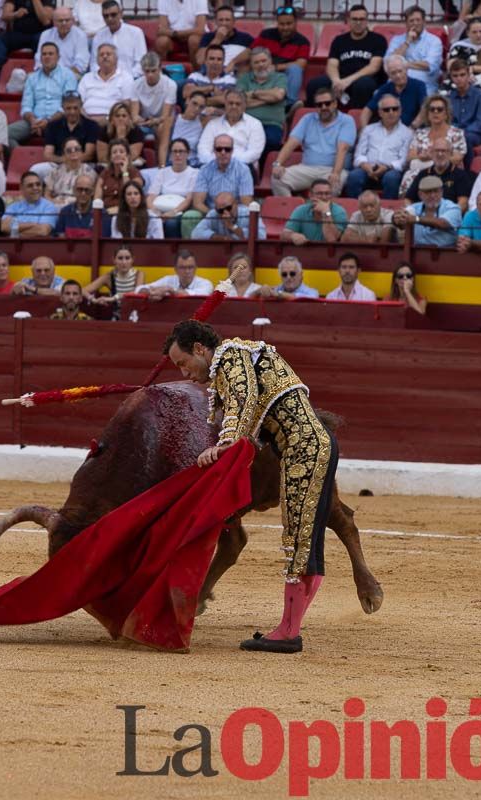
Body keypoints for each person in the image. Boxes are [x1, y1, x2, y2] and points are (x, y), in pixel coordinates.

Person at [164, 317, 336, 653]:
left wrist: (225, 444)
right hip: (312, 442)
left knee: (300, 542)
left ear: (200, 349)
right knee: (307, 542)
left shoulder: (231, 355)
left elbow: (245, 398)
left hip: (303, 445)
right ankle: (289, 628)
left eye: (183, 363)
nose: (183, 373)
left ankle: (289, 633)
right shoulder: (238, 360)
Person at [270, 87, 356, 197]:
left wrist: (336, 173)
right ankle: (293, 213)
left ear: (335, 104)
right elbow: (291, 143)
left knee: (334, 183)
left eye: (327, 103)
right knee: (277, 178)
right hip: (307, 168)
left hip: (331, 170)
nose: (323, 107)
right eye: (319, 105)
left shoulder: (346, 120)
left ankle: (322, 213)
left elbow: (342, 149)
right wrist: (277, 164)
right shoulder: (307, 119)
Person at [308, 4, 387, 109]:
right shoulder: (339, 40)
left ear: (367, 21)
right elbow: (331, 65)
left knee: (363, 84)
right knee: (315, 84)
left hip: (364, 79)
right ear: (348, 21)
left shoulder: (378, 40)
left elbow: (374, 67)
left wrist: (348, 80)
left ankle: (357, 119)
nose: (358, 23)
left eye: (362, 19)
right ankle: (313, 119)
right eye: (354, 19)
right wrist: (336, 81)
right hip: (341, 79)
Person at [343, 94, 411, 199]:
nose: (391, 112)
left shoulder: (407, 133)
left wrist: (387, 167)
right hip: (367, 168)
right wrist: (365, 165)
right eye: (386, 110)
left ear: (400, 111)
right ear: (380, 112)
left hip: (390, 170)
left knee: (391, 178)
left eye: (395, 109)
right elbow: (359, 154)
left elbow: (403, 161)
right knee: (354, 176)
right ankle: (355, 209)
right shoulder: (369, 129)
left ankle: (388, 211)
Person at [11, 41, 78, 146]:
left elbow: (68, 105)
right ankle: (19, 159)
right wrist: (33, 120)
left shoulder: (68, 75)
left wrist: (48, 121)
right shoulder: (32, 78)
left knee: (67, 135)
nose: (47, 57)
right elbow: (26, 106)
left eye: (51, 54)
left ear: (58, 57)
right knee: (6, 134)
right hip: (33, 122)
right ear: (40, 58)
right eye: (44, 54)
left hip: (59, 121)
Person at [186, 133, 253, 236]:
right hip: (211, 214)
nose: (223, 152)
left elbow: (246, 203)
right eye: (219, 149)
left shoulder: (243, 170)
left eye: (227, 149)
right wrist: (217, 214)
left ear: (232, 150)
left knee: (246, 216)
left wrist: (230, 214)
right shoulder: (204, 170)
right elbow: (197, 203)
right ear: (214, 150)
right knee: (190, 216)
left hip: (235, 214)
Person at [252, 6, 310, 111]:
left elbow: (301, 64)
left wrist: (276, 67)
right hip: (263, 72)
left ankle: (289, 105)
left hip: (285, 76)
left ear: (296, 23)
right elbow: (252, 52)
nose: (285, 27)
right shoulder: (266, 34)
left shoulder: (303, 41)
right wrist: (233, 62)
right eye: (282, 24)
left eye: (289, 24)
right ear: (277, 23)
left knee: (295, 69)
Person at [237, 47, 289, 153]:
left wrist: (254, 93)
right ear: (251, 65)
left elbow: (278, 96)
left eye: (263, 61)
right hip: (246, 122)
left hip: (271, 124)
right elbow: (239, 100)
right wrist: (269, 98)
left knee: (271, 141)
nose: (261, 65)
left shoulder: (280, 77)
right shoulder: (244, 79)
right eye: (256, 62)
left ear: (270, 61)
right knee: (238, 140)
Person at [146, 138, 198, 237]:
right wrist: (154, 210)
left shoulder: (194, 173)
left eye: (181, 151)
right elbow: (151, 196)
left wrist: (173, 212)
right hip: (159, 209)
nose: (178, 155)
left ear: (188, 153)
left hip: (180, 210)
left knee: (171, 224)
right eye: (174, 152)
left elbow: (189, 199)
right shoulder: (163, 172)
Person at [198, 90, 264, 167]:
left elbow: (254, 153)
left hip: (242, 168)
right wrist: (217, 163)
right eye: (230, 103)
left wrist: (229, 163)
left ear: (244, 106)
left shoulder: (255, 124)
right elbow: (203, 149)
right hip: (214, 166)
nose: (234, 106)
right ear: (225, 104)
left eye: (238, 104)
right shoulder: (213, 124)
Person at [386, 5, 442, 96]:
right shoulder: (397, 40)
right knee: (378, 96)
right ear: (406, 23)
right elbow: (389, 62)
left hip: (424, 86)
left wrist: (402, 65)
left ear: (424, 21)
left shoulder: (434, 41)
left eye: (418, 20)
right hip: (396, 85)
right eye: (411, 21)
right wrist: (407, 42)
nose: (415, 23)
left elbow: (429, 65)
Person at [41, 91, 101, 177]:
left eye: (75, 108)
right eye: (68, 108)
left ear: (81, 106)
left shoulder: (91, 125)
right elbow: (47, 154)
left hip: (83, 165)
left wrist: (72, 160)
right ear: (62, 107)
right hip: (59, 164)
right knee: (37, 170)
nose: (72, 112)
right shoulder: (52, 126)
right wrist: (65, 160)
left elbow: (89, 154)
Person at [402, 138, 473, 209]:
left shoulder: (460, 175)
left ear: (450, 153)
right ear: (431, 153)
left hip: (449, 216)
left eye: (444, 151)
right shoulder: (423, 174)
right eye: (437, 151)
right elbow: (408, 199)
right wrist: (411, 211)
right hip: (424, 216)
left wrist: (451, 214)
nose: (440, 154)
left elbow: (463, 203)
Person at [394, 175, 462, 247]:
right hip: (418, 253)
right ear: (420, 194)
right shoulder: (415, 207)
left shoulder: (452, 207)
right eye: (428, 192)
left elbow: (442, 223)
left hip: (446, 253)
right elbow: (402, 217)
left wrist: (416, 219)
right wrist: (397, 218)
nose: (432, 195)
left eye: (436, 191)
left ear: (441, 192)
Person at [363, 55, 427, 130]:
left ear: (406, 70)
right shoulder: (385, 88)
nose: (398, 75)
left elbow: (425, 108)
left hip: (411, 129)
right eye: (393, 73)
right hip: (388, 131)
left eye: (400, 71)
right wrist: (364, 131)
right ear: (388, 75)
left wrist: (413, 126)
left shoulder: (419, 85)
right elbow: (367, 110)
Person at [77, 43, 137, 122]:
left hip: (113, 122)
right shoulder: (87, 78)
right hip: (87, 121)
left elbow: (126, 104)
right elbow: (78, 103)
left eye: (108, 54)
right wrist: (88, 120)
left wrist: (108, 119)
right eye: (101, 55)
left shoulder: (125, 77)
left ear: (116, 59)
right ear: (97, 60)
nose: (105, 56)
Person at [90, 1, 147, 80]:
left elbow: (141, 63)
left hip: (131, 79)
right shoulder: (99, 36)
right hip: (104, 80)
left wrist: (126, 78)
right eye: (106, 16)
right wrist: (103, 77)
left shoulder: (136, 33)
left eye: (113, 15)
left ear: (121, 14)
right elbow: (94, 64)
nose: (110, 18)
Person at [445, 58, 481, 156]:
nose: (459, 78)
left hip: (474, 135)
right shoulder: (449, 97)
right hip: (452, 134)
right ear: (451, 78)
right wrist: (453, 132)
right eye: (455, 76)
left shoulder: (480, 96)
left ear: (468, 75)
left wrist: (460, 133)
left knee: (466, 139)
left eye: (462, 75)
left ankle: (467, 170)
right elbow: (447, 121)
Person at [280, 179, 347, 245]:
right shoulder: (301, 210)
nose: (324, 197)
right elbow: (283, 235)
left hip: (329, 253)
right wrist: (292, 236)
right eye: (319, 193)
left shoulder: (339, 212)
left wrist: (326, 212)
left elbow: (331, 239)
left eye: (327, 193)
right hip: (305, 251)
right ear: (311, 195)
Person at [133, 52, 177, 144]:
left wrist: (155, 121)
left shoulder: (170, 85)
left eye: (153, 71)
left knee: (162, 127)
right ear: (142, 70)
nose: (150, 75)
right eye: (147, 71)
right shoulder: (136, 85)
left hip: (162, 122)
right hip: (144, 122)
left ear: (160, 68)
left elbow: (165, 116)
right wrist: (141, 120)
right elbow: (134, 115)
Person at [188, 190, 264, 240]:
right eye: (220, 210)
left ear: (236, 204)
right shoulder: (213, 214)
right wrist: (220, 238)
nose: (225, 212)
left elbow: (261, 236)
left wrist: (232, 227)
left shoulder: (248, 213)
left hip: (244, 252)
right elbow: (195, 233)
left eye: (228, 208)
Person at [197, 6, 252, 74]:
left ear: (233, 22)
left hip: (235, 75)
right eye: (221, 20)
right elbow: (200, 61)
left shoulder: (245, 38)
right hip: (210, 74)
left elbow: (253, 52)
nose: (224, 23)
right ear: (215, 21)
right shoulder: (208, 37)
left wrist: (233, 62)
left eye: (227, 20)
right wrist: (217, 39)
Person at [0, 170, 56, 236]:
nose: (35, 188)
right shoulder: (13, 207)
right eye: (30, 185)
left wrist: (15, 232)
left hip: (39, 245)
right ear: (21, 188)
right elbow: (4, 227)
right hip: (15, 245)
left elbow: (42, 231)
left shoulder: (49, 206)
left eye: (38, 184)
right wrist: (33, 224)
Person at [137, 250, 212, 298]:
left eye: (190, 267)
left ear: (196, 268)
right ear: (175, 269)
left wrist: (170, 290)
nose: (187, 271)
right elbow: (139, 289)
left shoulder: (206, 284)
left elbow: (197, 295)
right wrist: (152, 292)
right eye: (182, 268)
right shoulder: (167, 280)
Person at [95, 138, 143, 214]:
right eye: (114, 152)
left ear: (127, 155)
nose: (118, 154)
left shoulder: (135, 173)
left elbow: (130, 193)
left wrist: (124, 173)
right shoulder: (104, 173)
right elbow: (97, 198)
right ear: (110, 157)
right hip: (105, 212)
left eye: (121, 152)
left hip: (126, 212)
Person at [184, 44, 237, 111]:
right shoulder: (195, 76)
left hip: (216, 116)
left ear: (223, 62)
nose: (215, 62)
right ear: (205, 61)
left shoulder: (230, 79)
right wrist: (210, 88)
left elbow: (224, 100)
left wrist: (197, 100)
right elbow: (186, 93)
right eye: (212, 59)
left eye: (219, 59)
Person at [40, 6, 90, 77]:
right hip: (48, 74)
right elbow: (39, 60)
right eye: (60, 20)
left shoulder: (80, 35)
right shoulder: (45, 35)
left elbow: (81, 64)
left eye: (67, 20)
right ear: (54, 22)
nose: (64, 23)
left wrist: (62, 76)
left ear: (73, 21)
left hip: (72, 75)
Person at [45, 139, 96, 207]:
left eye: (76, 149)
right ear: (64, 154)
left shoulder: (89, 172)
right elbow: (46, 195)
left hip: (78, 206)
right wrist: (53, 202)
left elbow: (91, 195)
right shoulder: (56, 171)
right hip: (55, 205)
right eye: (69, 150)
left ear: (81, 152)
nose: (73, 151)